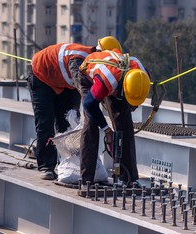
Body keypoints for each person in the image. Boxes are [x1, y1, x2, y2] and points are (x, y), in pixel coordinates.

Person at [26, 36, 121, 180]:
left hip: (63, 82)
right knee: (45, 121)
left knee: (67, 124)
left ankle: (65, 164)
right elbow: (88, 99)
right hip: (41, 76)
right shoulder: (79, 63)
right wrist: (105, 128)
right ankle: (47, 165)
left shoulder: (95, 65)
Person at [78, 46, 150, 187]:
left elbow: (136, 92)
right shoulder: (107, 81)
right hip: (89, 78)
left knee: (124, 123)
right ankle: (87, 179)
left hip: (119, 79)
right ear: (124, 87)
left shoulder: (142, 75)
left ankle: (129, 178)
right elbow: (89, 104)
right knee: (91, 123)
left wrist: (131, 105)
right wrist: (106, 129)